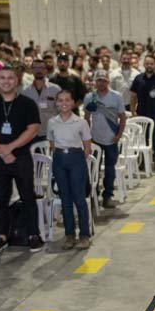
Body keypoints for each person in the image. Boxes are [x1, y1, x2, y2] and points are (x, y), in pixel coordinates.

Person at [0, 66, 43, 253]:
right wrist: (0, 149)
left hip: (21, 157)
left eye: (10, 78)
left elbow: (33, 129)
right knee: (0, 198)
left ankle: (33, 235)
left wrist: (10, 148)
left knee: (27, 196)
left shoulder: (27, 103)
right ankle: (1, 236)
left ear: (17, 81)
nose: (6, 81)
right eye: (3, 78)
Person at [49, 90, 93, 250]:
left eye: (67, 100)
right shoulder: (52, 122)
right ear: (56, 103)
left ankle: (84, 235)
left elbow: (87, 145)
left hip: (76, 159)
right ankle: (69, 235)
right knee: (65, 199)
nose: (64, 103)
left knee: (79, 199)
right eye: (60, 100)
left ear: (73, 103)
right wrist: (61, 155)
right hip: (59, 159)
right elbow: (52, 143)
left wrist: (80, 160)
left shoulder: (81, 122)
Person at [84, 70, 127, 208]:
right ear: (95, 82)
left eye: (104, 80)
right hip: (95, 138)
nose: (101, 83)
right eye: (99, 80)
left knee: (110, 169)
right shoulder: (90, 97)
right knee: (92, 168)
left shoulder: (116, 97)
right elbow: (86, 118)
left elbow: (122, 117)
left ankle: (107, 195)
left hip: (111, 138)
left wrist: (119, 135)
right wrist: (87, 138)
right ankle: (93, 194)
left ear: (108, 81)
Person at [130, 54, 155, 170]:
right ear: (144, 64)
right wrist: (133, 112)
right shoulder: (138, 79)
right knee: (141, 138)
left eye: (151, 63)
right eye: (147, 63)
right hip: (141, 113)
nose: (149, 65)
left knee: (154, 138)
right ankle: (142, 161)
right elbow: (133, 96)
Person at [21, 60, 61, 139]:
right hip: (31, 134)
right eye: (35, 68)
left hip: (51, 133)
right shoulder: (25, 91)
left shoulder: (56, 89)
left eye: (41, 68)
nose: (38, 70)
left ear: (46, 70)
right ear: (32, 70)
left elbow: (62, 111)